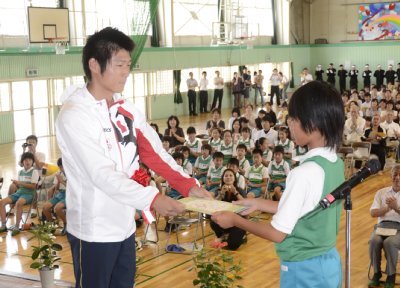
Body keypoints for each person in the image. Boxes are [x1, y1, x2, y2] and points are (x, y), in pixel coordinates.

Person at [55, 27, 210, 288]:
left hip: (125, 226)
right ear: (94, 64)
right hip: (93, 231)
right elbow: (101, 175)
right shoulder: (74, 115)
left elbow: (155, 153)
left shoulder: (125, 109)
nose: (126, 71)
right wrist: (152, 199)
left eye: (128, 64)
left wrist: (188, 186)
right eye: (119, 64)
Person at [212, 81, 345, 288]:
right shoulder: (335, 163)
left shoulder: (303, 173)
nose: (289, 123)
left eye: (293, 118)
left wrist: (235, 221)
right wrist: (258, 203)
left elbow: (277, 233)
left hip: (303, 271)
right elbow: (304, 209)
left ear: (315, 122)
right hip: (327, 263)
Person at [368, 165, 400, 288]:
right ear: (391, 176)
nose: (397, 177)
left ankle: (391, 275)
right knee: (373, 241)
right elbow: (373, 213)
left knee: (390, 243)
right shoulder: (381, 192)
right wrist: (388, 207)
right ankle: (377, 273)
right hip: (382, 226)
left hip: (398, 228)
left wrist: (396, 208)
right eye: (395, 174)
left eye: (399, 175)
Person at [0, 152, 39, 236]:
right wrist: (16, 183)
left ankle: (17, 226)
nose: (27, 161)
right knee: (1, 202)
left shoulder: (34, 172)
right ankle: (3, 225)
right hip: (19, 192)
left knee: (19, 203)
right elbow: (20, 186)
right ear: (22, 162)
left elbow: (33, 187)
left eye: (29, 160)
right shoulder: (20, 172)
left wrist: (20, 183)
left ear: (32, 162)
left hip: (29, 194)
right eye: (25, 160)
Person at [210, 169, 246, 250]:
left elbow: (245, 204)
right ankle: (223, 235)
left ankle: (237, 236)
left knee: (232, 246)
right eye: (226, 176)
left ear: (234, 178)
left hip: (237, 222)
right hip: (224, 220)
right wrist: (221, 194)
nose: (228, 177)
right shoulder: (219, 190)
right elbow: (213, 205)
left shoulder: (240, 190)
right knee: (212, 220)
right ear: (223, 178)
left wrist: (235, 192)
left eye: (231, 175)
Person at [42, 157, 67, 235]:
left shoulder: (72, 174)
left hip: (69, 195)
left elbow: (73, 188)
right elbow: (57, 189)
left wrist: (62, 181)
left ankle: (66, 224)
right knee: (45, 207)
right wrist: (58, 183)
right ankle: (52, 223)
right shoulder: (59, 173)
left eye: (63, 166)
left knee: (57, 208)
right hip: (60, 194)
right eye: (60, 167)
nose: (62, 168)